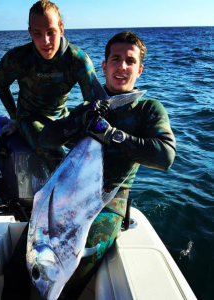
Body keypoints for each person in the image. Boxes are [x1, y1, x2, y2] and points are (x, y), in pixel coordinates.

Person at [37, 30, 177, 299]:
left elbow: (166, 157)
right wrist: (79, 121)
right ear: (104, 66)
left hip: (107, 203)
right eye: (115, 59)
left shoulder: (148, 109)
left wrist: (113, 135)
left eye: (130, 60)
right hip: (67, 197)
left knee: (71, 269)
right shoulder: (89, 109)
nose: (122, 66)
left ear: (140, 69)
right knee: (25, 260)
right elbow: (46, 139)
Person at [0, 0, 96, 172]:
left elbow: (92, 102)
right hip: (29, 117)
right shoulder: (17, 58)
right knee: (57, 159)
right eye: (37, 33)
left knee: (99, 150)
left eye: (51, 32)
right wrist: (14, 117)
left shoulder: (78, 60)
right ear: (30, 33)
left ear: (61, 29)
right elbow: (1, 83)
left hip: (62, 117)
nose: (45, 41)